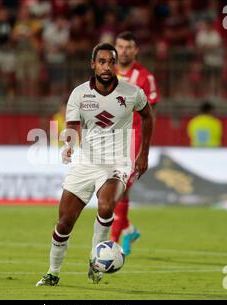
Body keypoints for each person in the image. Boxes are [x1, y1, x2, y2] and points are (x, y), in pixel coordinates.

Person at [36, 43, 154, 286]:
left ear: (115, 64)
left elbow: (148, 115)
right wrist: (68, 144)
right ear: (93, 64)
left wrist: (143, 154)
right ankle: (53, 272)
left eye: (111, 62)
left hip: (117, 163)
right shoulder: (79, 94)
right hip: (85, 163)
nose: (107, 67)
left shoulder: (131, 92)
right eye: (102, 62)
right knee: (64, 223)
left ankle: (95, 260)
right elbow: (72, 125)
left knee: (106, 204)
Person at [111, 31, 159, 256]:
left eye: (128, 47)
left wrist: (143, 151)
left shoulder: (144, 76)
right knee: (112, 191)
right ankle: (128, 229)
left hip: (133, 141)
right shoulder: (107, 73)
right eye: (120, 46)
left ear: (135, 50)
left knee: (118, 190)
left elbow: (150, 115)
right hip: (108, 139)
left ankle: (110, 243)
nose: (123, 51)